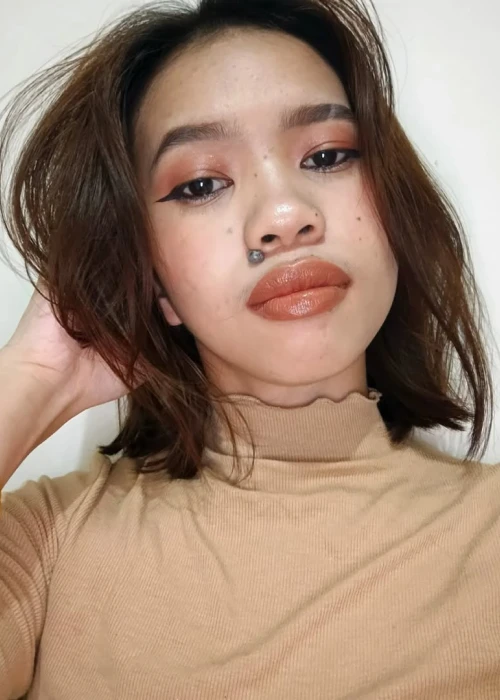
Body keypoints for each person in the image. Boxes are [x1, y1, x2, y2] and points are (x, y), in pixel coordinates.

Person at [0, 0, 498, 697]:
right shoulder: (45, 548)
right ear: (154, 281)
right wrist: (34, 378)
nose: (285, 216)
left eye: (327, 155)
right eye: (201, 184)